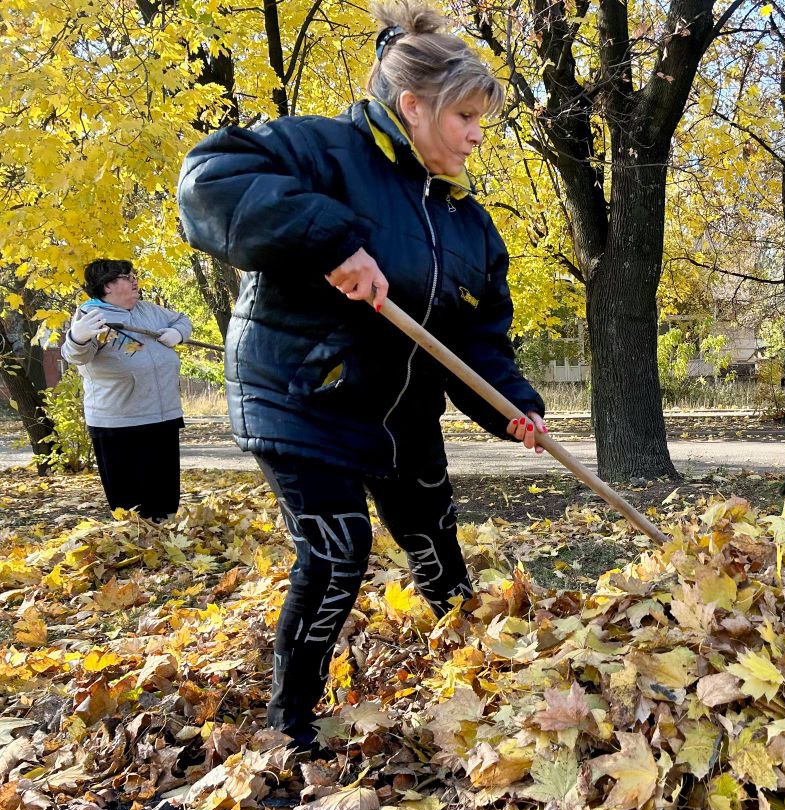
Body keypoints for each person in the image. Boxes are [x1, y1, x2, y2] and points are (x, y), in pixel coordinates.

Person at [177, 1, 547, 752]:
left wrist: (513, 405)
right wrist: (330, 239)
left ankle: (473, 668)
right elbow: (206, 183)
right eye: (466, 116)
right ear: (413, 106)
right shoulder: (317, 149)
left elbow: (477, 336)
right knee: (339, 548)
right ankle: (293, 719)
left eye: (483, 118)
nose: (479, 135)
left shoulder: (466, 222)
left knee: (436, 542)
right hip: (301, 396)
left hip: (399, 410)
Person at [61, 259, 190, 520]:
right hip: (119, 422)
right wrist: (77, 337)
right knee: (130, 504)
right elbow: (77, 356)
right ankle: (135, 548)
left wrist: (178, 333)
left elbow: (182, 319)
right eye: (127, 276)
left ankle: (166, 547)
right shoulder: (92, 316)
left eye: (134, 275)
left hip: (162, 414)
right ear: (108, 286)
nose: (135, 280)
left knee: (163, 497)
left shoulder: (148, 310)